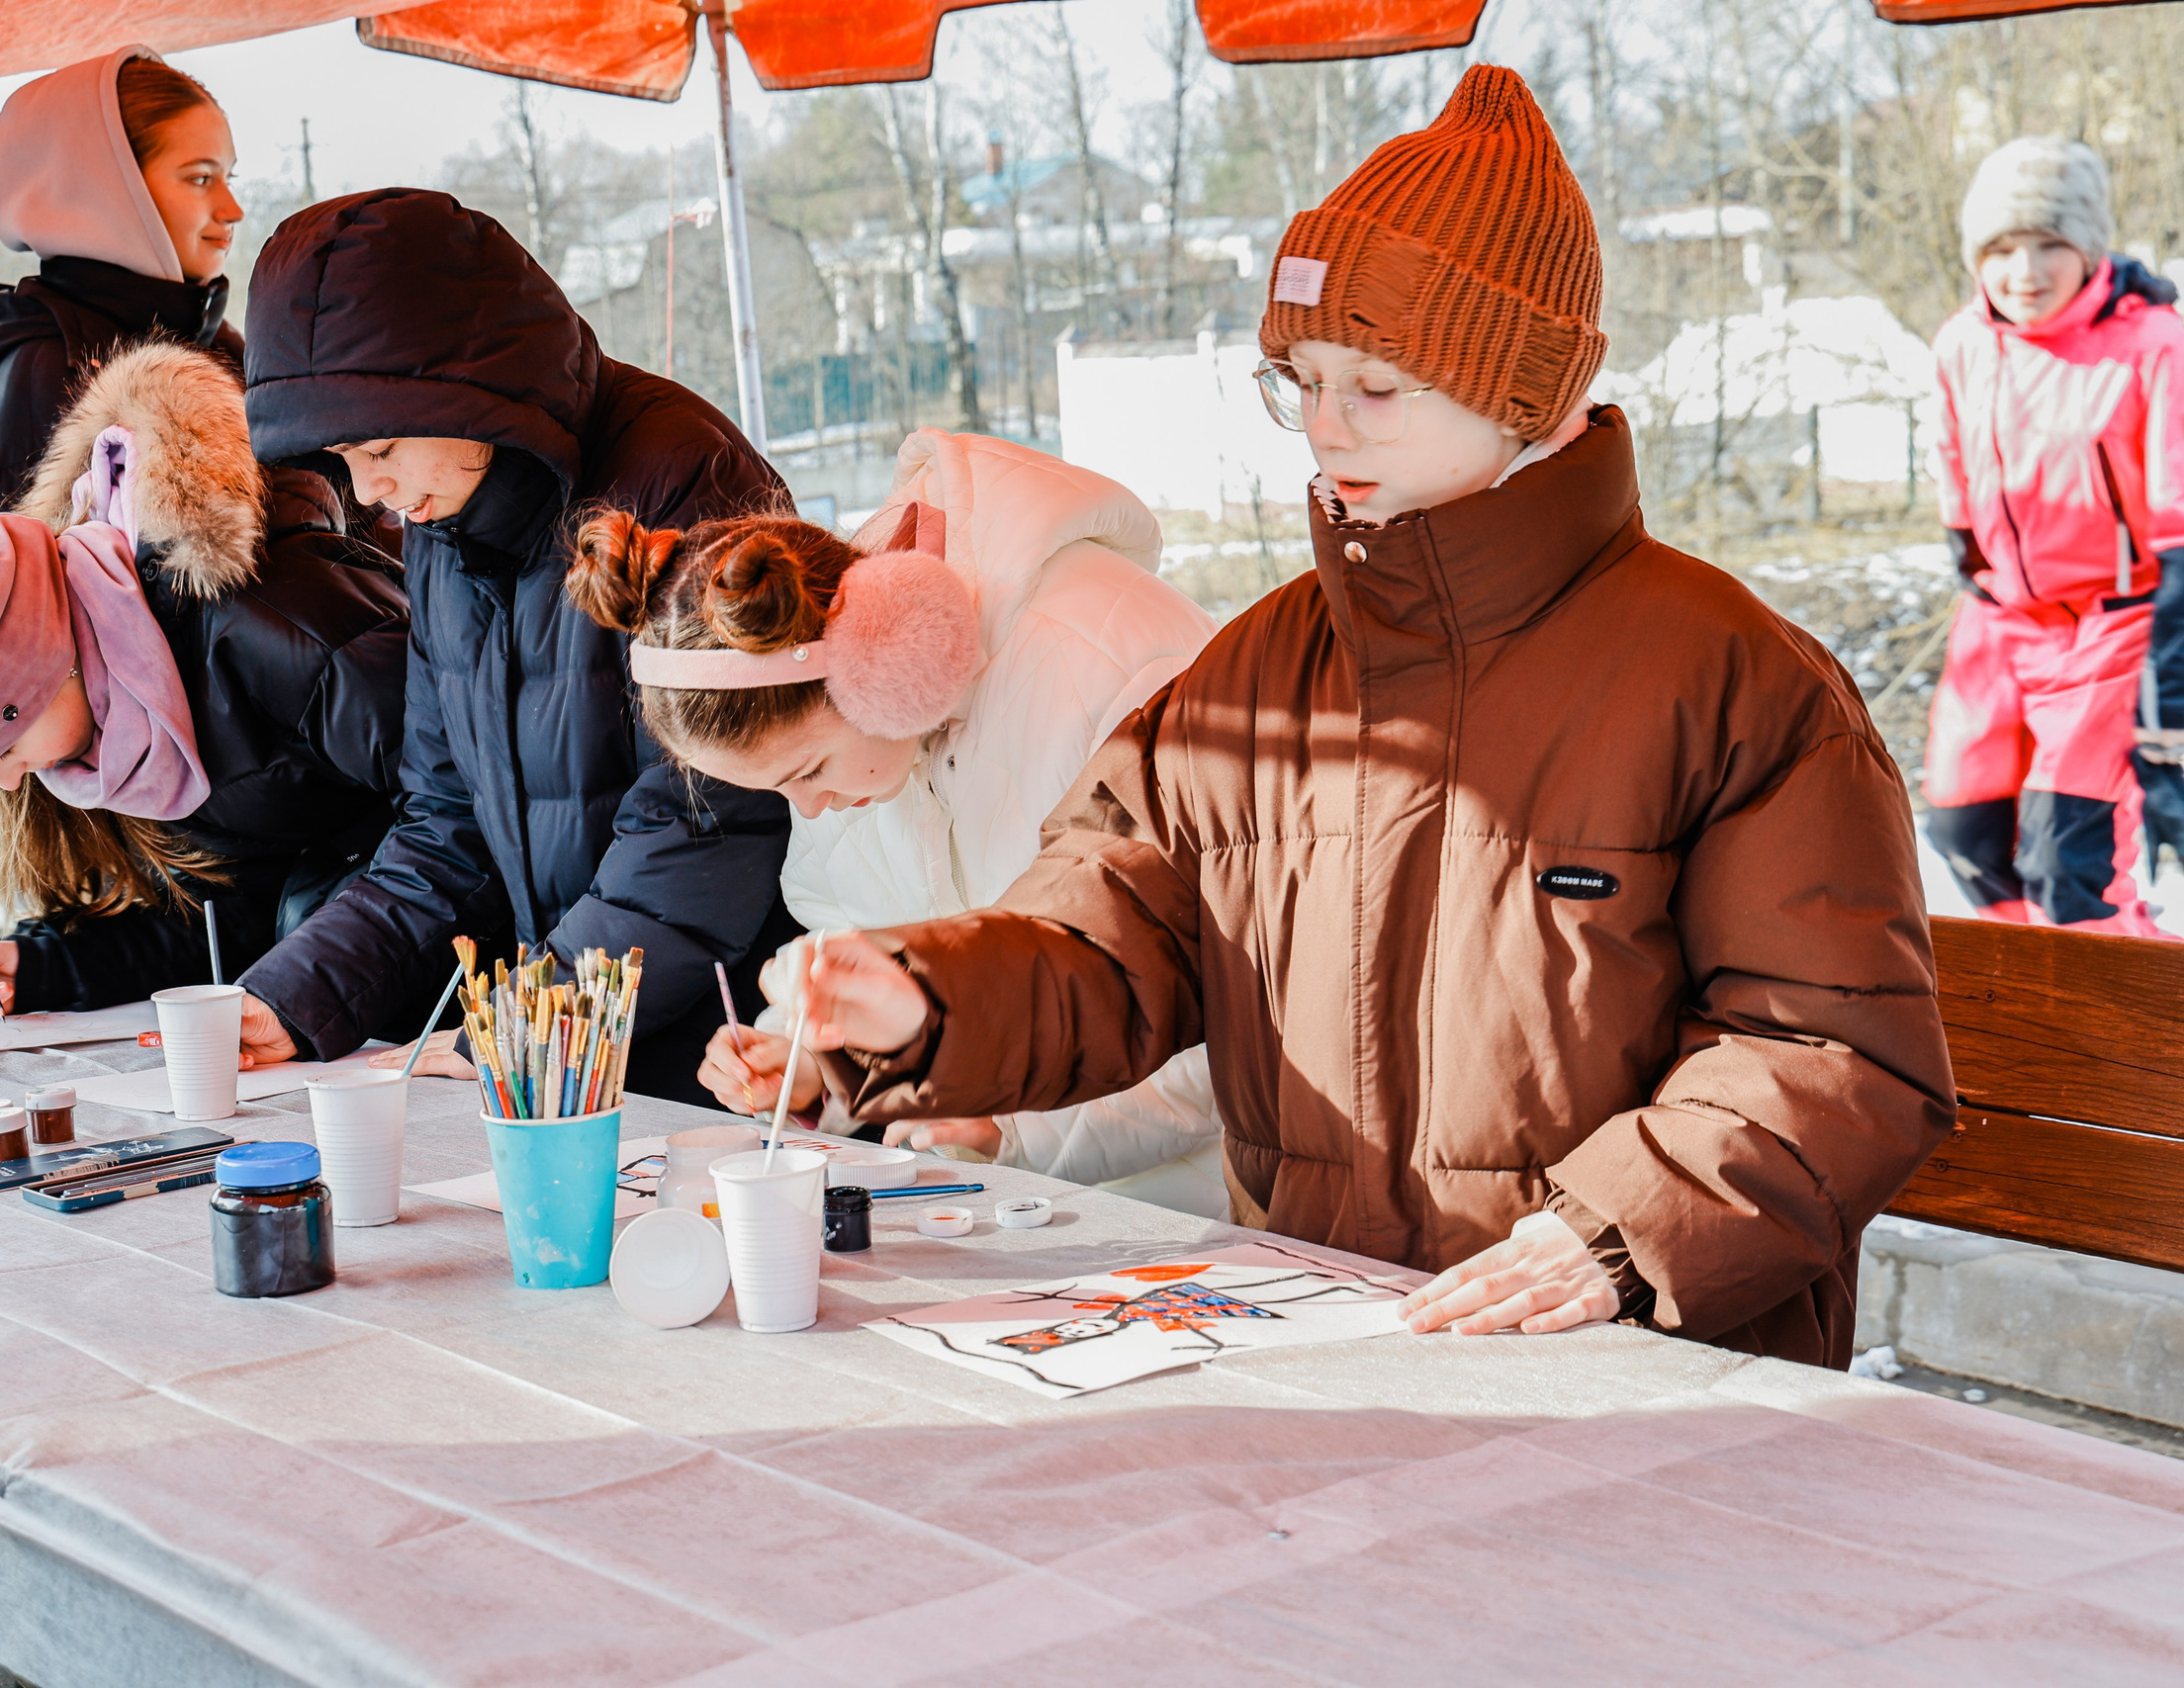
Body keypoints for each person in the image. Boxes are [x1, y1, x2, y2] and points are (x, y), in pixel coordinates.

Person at [758, 67, 1954, 1370]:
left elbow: (1828, 1041)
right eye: (1300, 379)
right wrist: (926, 1003)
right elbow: (1108, 937)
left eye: (1374, 385)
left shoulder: (1736, 681)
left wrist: (1616, 1229)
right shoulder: (1258, 673)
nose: (1324, 425)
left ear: (1535, 391)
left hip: (1647, 1351)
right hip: (1335, 1337)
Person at [565, 428, 1231, 1217]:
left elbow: (1232, 1020)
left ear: (890, 664)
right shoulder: (861, 742)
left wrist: (1005, 1126)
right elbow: (843, 930)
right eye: (779, 790)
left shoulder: (1113, 672)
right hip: (1009, 1212)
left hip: (1191, 1217)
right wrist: (819, 1064)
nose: (807, 808)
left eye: (807, 770)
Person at [230, 189, 797, 1107]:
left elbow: (707, 810)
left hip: (721, 1057)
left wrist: (538, 1019)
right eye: (343, 461)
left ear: (471, 391)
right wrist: (294, 996)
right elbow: (444, 824)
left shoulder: (680, 475)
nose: (371, 490)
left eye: (381, 446)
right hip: (567, 1048)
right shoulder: (444, 534)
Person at [0, 341, 410, 1015]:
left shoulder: (268, 624)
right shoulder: (126, 696)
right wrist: (57, 963)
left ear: (43, 667)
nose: (12, 778)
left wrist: (309, 983)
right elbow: (230, 912)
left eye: (0, 747)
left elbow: (463, 817)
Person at [1924, 136, 2184, 933]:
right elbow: (1951, 456)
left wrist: (2166, 684)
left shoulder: (2155, 344)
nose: (2025, 271)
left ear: (2090, 248)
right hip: (2002, 622)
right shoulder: (1962, 343)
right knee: (1963, 834)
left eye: (2049, 245)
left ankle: (2116, 1031)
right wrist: (1965, 543)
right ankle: (2042, 987)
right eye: (2002, 249)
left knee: (2070, 862)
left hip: (2114, 630)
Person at [0, 46, 244, 518]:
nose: (233, 209)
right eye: (200, 178)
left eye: (230, 177)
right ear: (106, 191)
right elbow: (27, 585)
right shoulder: (43, 373)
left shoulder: (211, 336)